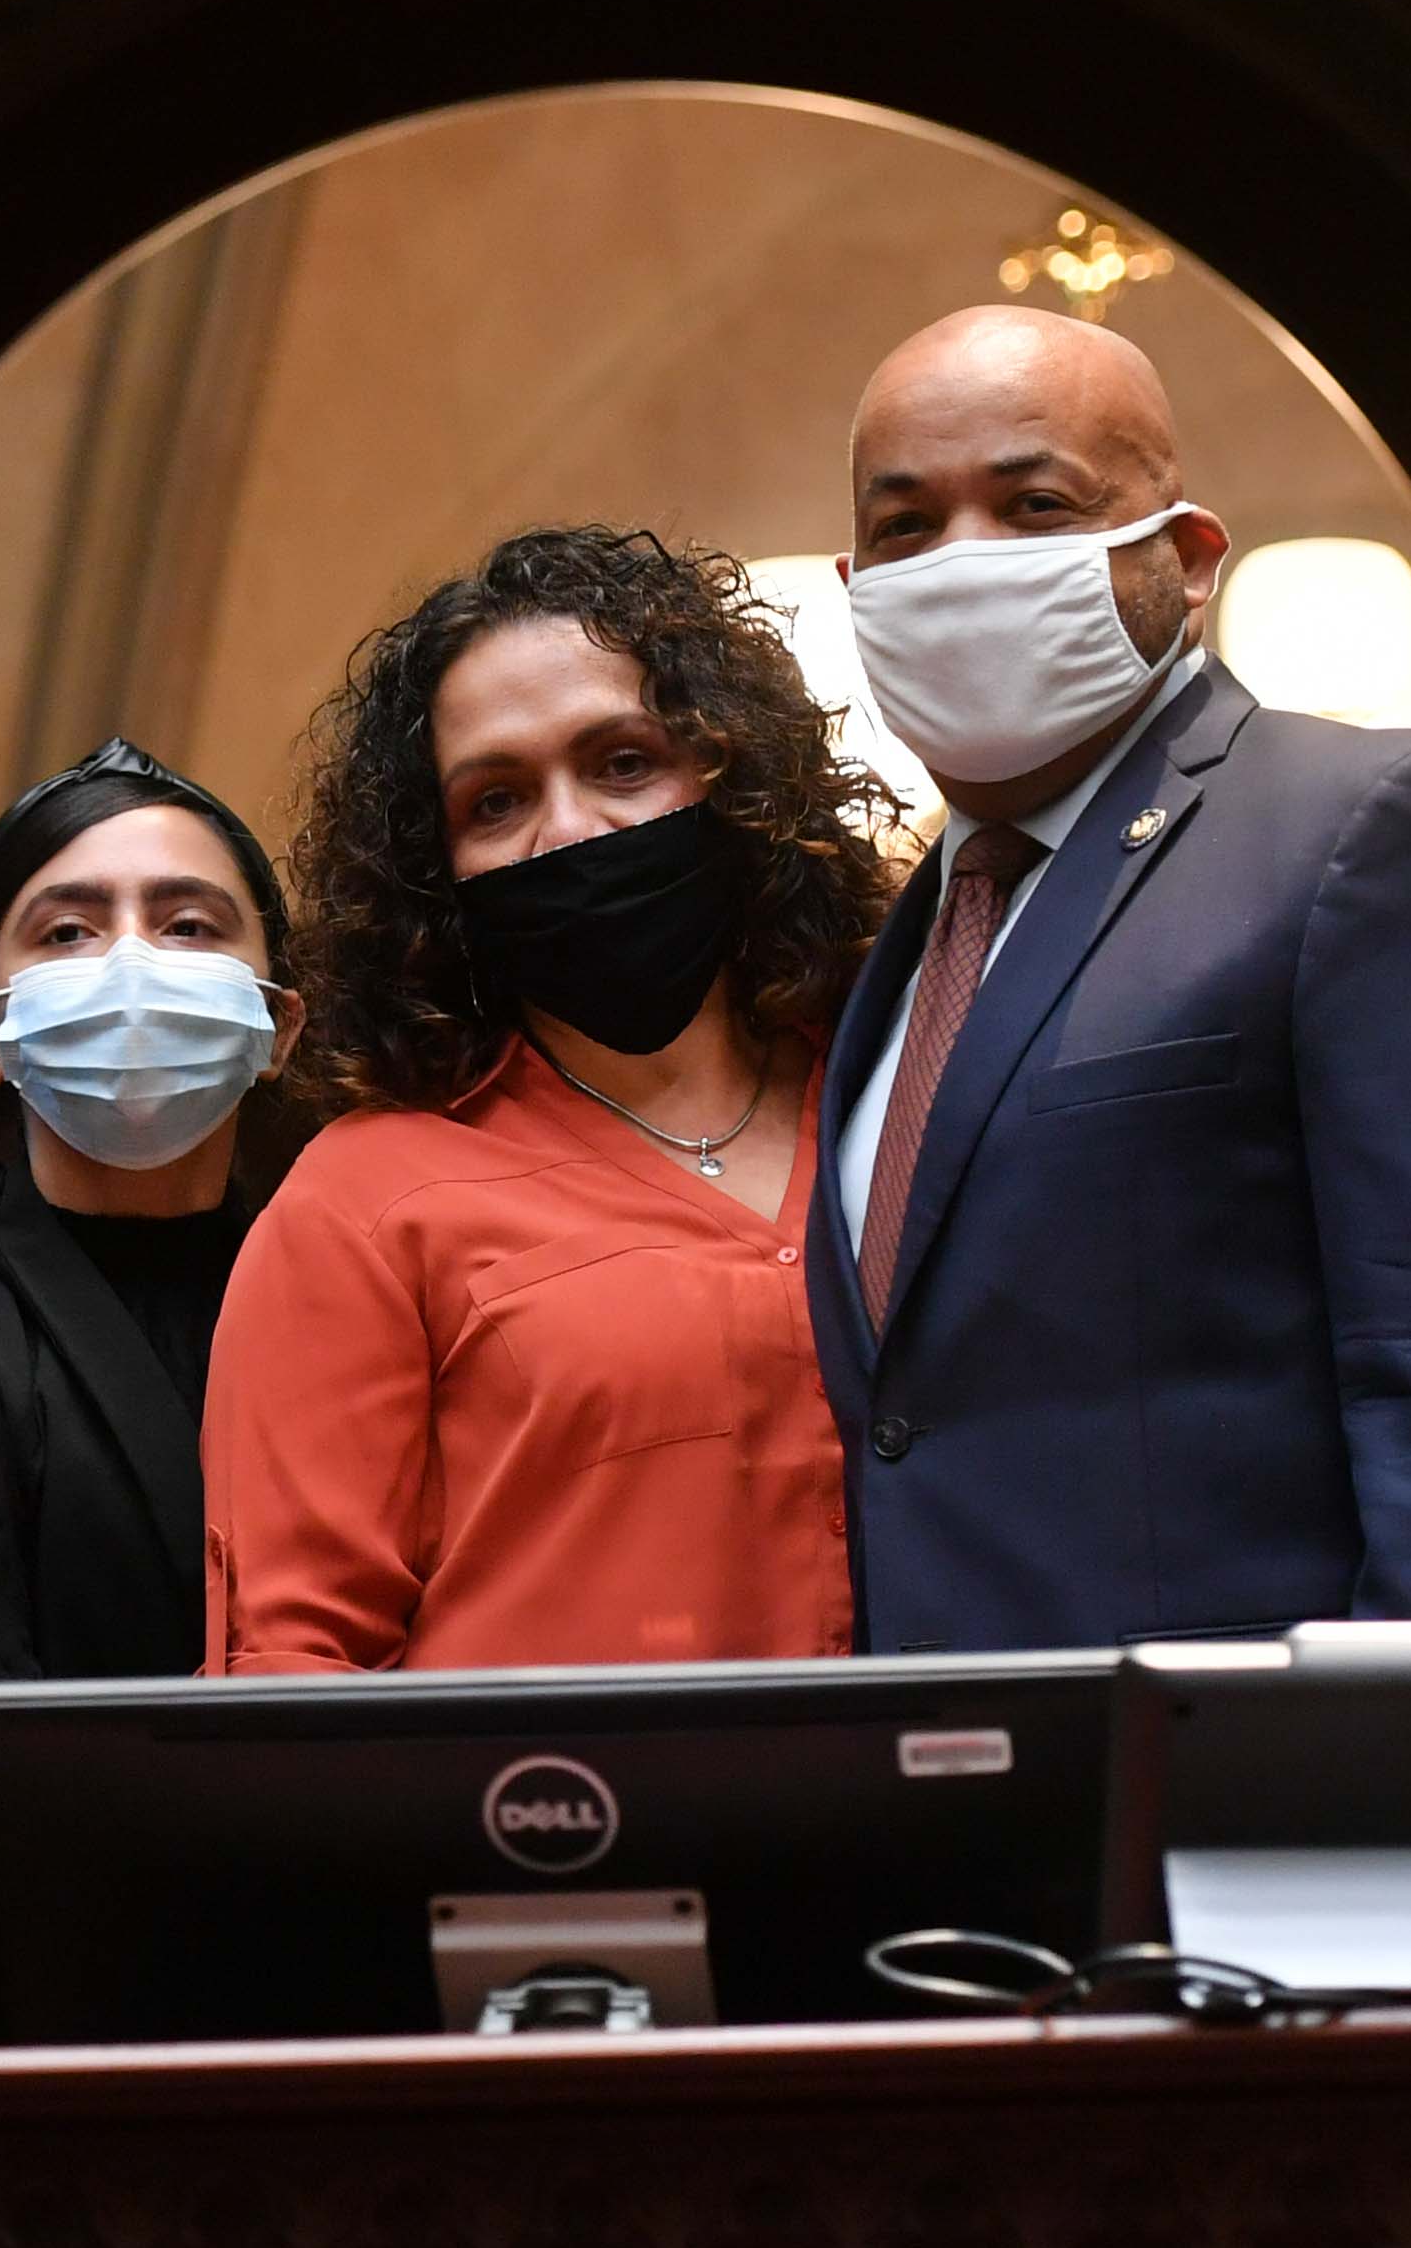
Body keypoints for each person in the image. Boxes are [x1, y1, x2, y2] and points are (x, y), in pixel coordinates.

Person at [811, 306, 1411, 1642]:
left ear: (1186, 561)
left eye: (1033, 505)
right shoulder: (890, 953)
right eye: (907, 527)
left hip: (1266, 1802)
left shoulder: (1373, 829)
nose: (963, 562)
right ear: (856, 591)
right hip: (955, 1811)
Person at [204, 529, 901, 1673]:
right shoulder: (366, 1201)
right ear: (435, 871)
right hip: (544, 1835)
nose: (568, 829)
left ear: (733, 779)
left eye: (623, 761)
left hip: (908, 1827)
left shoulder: (896, 1094)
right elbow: (292, 1659)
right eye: (497, 800)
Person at [0, 742, 297, 1684]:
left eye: (189, 925)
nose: (132, 966)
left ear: (281, 1027)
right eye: (68, 933)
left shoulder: (351, 1309)